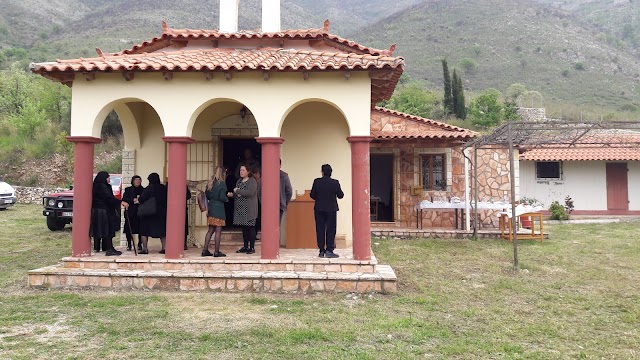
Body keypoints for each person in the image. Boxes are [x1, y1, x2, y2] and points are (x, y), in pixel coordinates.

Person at [310, 164, 344, 258]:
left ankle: (321, 250)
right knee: (331, 229)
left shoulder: (317, 182)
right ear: (331, 172)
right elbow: (340, 195)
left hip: (319, 209)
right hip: (331, 209)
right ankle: (329, 250)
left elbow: (312, 195)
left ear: (322, 172)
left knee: (320, 229)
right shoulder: (335, 183)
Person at [90, 171, 123, 256]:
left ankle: (100, 247)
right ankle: (109, 248)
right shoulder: (103, 186)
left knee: (100, 228)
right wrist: (120, 202)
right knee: (107, 228)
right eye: (108, 177)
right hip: (104, 210)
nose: (109, 179)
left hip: (97, 210)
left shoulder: (96, 186)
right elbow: (108, 198)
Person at [228, 165, 258, 254]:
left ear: (248, 171)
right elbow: (237, 193)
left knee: (251, 227)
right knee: (244, 228)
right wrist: (232, 194)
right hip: (240, 209)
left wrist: (237, 191)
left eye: (243, 170)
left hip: (249, 208)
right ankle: (245, 247)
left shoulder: (252, 181)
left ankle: (252, 247)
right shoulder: (239, 181)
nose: (241, 172)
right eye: (240, 170)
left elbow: (250, 192)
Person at [138, 173, 168, 254]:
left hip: (148, 213)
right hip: (161, 212)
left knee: (144, 230)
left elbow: (141, 199)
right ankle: (164, 248)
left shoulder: (148, 188)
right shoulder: (163, 188)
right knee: (163, 231)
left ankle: (145, 249)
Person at [203, 166, 228, 257]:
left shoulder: (210, 183)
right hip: (219, 209)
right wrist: (227, 197)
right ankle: (216, 252)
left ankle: (205, 250)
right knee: (218, 231)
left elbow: (207, 196)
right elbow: (222, 197)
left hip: (211, 208)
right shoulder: (222, 184)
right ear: (223, 174)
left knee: (210, 230)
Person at [121, 175, 144, 251]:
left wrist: (139, 200)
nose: (137, 181)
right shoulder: (128, 190)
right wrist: (133, 200)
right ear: (133, 181)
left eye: (139, 180)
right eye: (136, 180)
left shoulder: (143, 190)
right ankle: (129, 244)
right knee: (129, 228)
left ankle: (140, 244)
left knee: (141, 228)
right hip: (130, 211)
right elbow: (124, 199)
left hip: (140, 211)